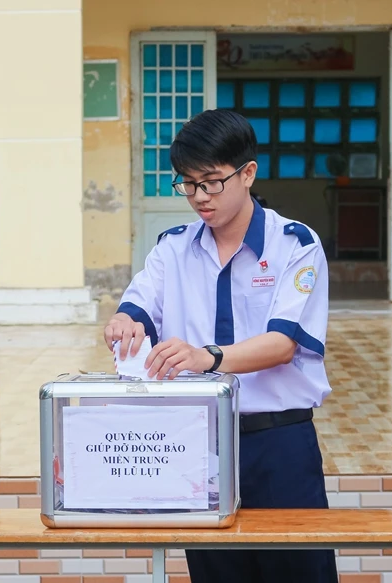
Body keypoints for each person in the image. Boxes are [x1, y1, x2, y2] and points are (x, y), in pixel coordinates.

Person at [104, 109, 338, 583]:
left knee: (299, 572)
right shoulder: (173, 248)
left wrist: (204, 356)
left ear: (247, 173)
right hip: (200, 445)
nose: (198, 198)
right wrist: (123, 322)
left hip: (279, 443)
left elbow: (282, 344)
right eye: (187, 184)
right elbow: (138, 302)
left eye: (211, 182)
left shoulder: (295, 245)